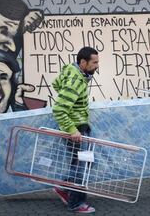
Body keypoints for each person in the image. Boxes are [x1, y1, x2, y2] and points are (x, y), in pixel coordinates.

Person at [51, 47, 99, 213]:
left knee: (80, 163)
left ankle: (63, 187)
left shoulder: (72, 71)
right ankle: (76, 203)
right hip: (76, 129)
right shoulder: (76, 80)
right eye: (94, 62)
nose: (97, 66)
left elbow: (56, 84)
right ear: (83, 62)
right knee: (82, 166)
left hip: (77, 127)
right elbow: (58, 109)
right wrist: (72, 129)